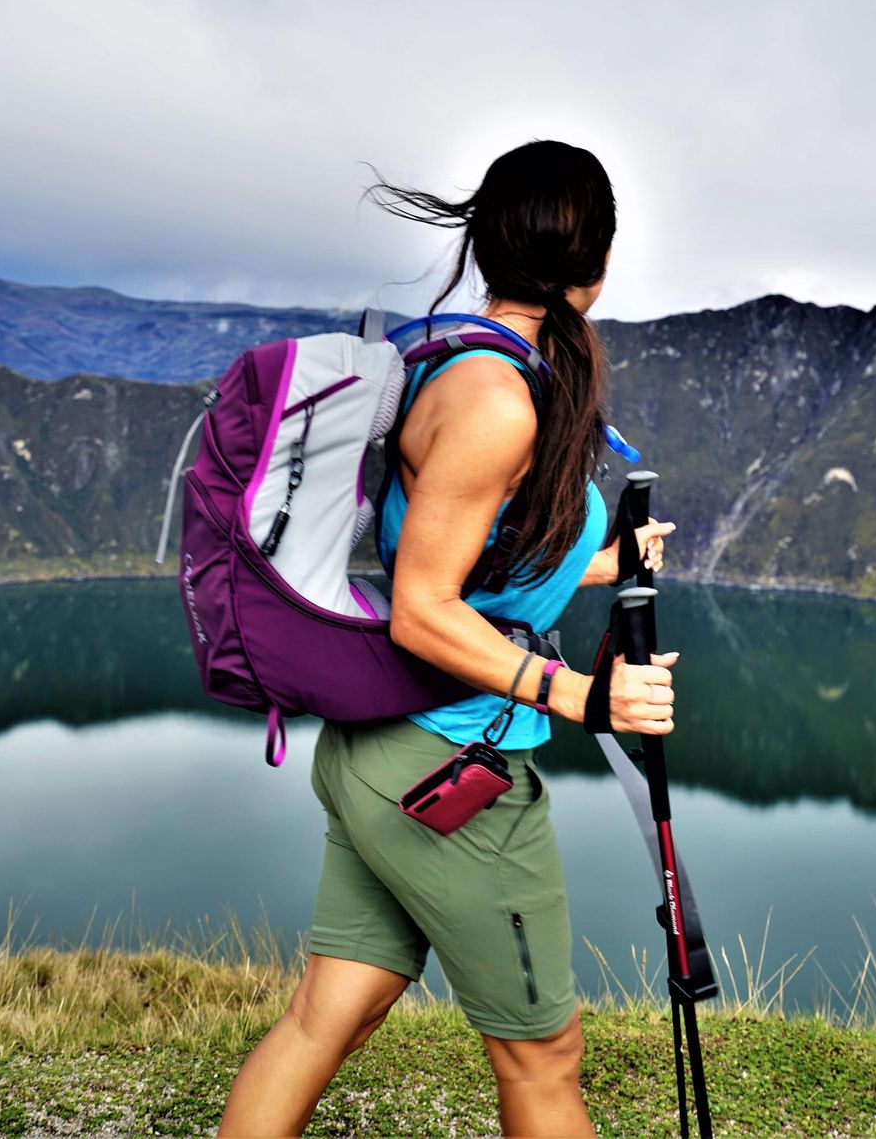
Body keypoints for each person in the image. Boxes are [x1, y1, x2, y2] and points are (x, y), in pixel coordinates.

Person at [217, 139, 680, 1139]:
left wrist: (608, 562)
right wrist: (582, 698)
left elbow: (477, 563)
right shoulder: (495, 399)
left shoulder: (462, 358)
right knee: (543, 1055)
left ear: (485, 245)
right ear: (594, 268)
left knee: (324, 1016)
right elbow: (425, 605)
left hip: (383, 751)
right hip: (448, 774)